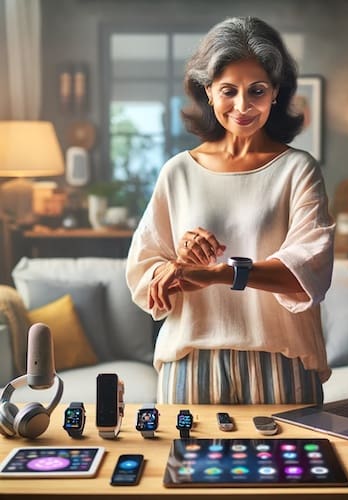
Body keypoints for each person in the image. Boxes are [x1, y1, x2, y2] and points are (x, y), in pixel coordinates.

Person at [126, 16, 335, 405]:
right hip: (190, 361)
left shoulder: (298, 169)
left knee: (298, 468)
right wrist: (178, 263)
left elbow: (310, 273)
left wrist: (217, 274)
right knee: (183, 469)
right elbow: (144, 278)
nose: (242, 106)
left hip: (283, 361)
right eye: (228, 91)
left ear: (275, 92)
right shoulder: (178, 172)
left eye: (256, 91)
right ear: (207, 91)